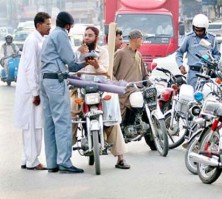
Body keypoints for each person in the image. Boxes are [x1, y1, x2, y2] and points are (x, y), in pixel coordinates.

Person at [73, 26, 130, 169]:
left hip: (99, 89)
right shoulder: (77, 52)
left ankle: (120, 158)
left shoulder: (103, 52)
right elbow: (73, 69)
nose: (87, 38)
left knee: (111, 119)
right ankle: (64, 157)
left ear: (96, 38)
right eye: (85, 35)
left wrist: (96, 65)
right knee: (71, 116)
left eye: (90, 35)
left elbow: (106, 73)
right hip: (81, 89)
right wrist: (80, 60)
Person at [40, 11, 87, 174]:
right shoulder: (61, 35)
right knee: (63, 121)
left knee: (50, 123)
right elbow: (72, 63)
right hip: (56, 81)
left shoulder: (51, 36)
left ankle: (52, 163)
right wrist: (85, 57)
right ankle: (64, 163)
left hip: (45, 81)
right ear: (68, 26)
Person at [14, 12, 51, 171]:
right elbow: (31, 69)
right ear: (38, 25)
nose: (50, 27)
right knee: (33, 127)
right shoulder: (32, 41)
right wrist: (35, 93)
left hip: (31, 89)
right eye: (47, 24)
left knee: (31, 127)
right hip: (30, 91)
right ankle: (32, 161)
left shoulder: (38, 40)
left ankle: (27, 158)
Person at [176, 14, 221, 88]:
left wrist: (214, 61)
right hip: (193, 73)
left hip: (208, 73)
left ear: (205, 28)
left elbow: (217, 54)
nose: (198, 32)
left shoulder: (212, 39)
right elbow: (179, 53)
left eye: (201, 30)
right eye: (196, 30)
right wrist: (180, 65)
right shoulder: (189, 38)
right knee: (192, 96)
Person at [113, 29, 149, 119]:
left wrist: (150, 82)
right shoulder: (120, 53)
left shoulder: (139, 55)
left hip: (138, 91)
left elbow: (145, 74)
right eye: (141, 39)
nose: (142, 42)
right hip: (124, 93)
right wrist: (118, 86)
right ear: (136, 39)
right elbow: (111, 73)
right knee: (119, 121)